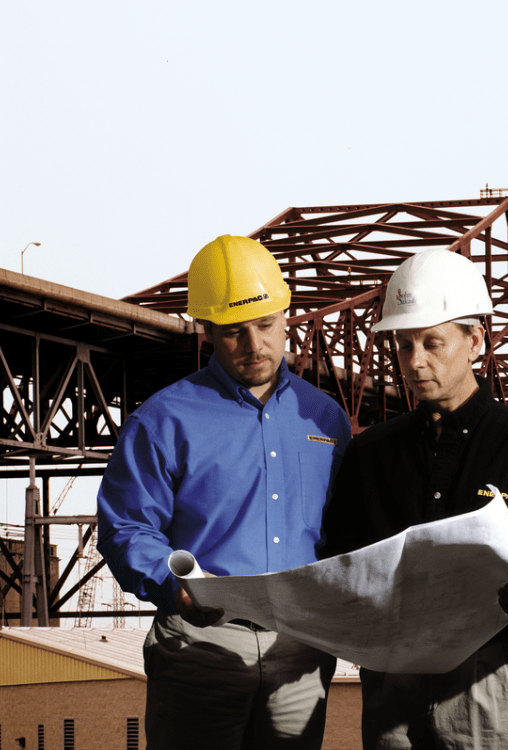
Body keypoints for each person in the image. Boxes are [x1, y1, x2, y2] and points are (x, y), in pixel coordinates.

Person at [318, 247, 508, 750]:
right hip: (390, 677)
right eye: (404, 345)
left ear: (475, 341)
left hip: (489, 676)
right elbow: (339, 560)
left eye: (432, 342)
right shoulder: (369, 454)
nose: (415, 361)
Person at [97, 235, 352, 750]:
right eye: (234, 332)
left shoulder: (325, 417)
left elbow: (345, 529)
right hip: (200, 645)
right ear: (207, 329)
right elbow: (125, 528)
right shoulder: (163, 419)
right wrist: (177, 584)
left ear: (287, 315)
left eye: (265, 325)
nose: (254, 346)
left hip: (302, 646)